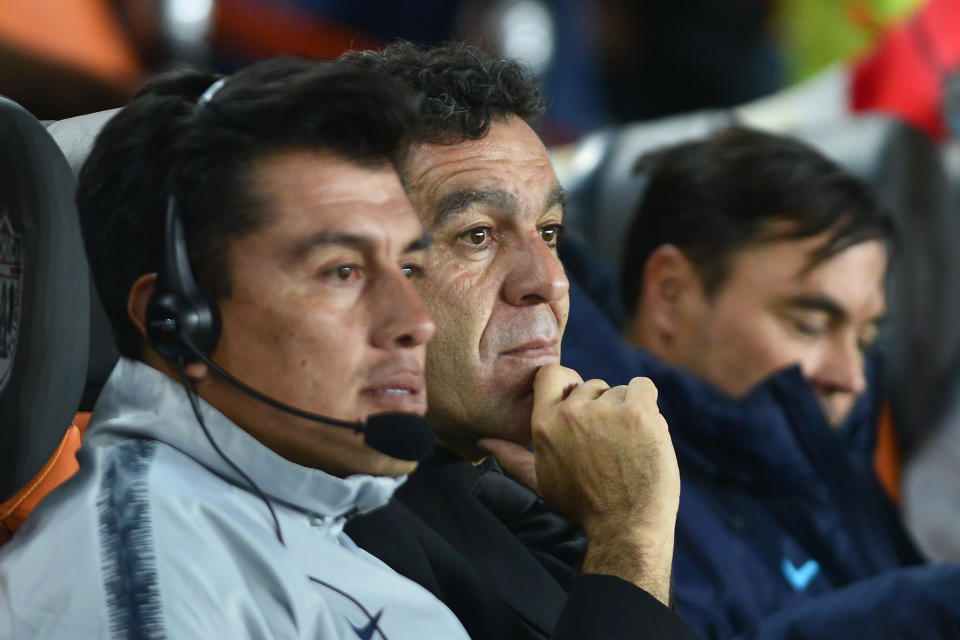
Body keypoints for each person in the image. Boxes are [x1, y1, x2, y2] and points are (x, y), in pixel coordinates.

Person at [0, 57, 473, 639]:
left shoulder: (299, 532)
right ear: (177, 320)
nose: (415, 322)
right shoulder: (146, 583)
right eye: (343, 272)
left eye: (406, 267)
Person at [340, 42, 697, 640]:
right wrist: (629, 537)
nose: (550, 282)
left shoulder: (536, 490)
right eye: (477, 235)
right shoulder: (348, 544)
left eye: (549, 231)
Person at [564, 126, 960, 638]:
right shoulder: (582, 481)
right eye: (810, 325)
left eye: (865, 340)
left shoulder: (824, 455)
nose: (852, 378)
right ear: (670, 294)